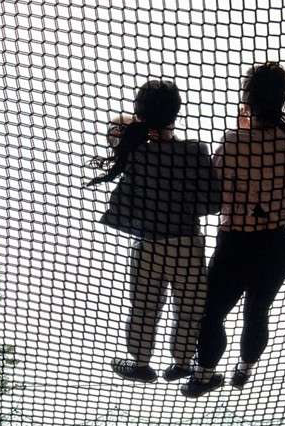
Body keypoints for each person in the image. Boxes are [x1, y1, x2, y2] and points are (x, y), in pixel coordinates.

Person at [183, 62, 285, 398]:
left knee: (210, 312)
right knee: (257, 311)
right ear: (283, 100)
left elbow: (215, 187)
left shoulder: (233, 143)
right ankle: (244, 369)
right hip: (276, 244)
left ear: (247, 99)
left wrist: (243, 135)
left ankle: (205, 374)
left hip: (236, 245)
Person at [90, 79, 221, 382]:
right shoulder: (195, 150)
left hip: (148, 243)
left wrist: (139, 121)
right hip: (188, 242)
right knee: (189, 306)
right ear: (177, 113)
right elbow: (213, 202)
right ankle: (183, 362)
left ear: (139, 112)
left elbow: (115, 122)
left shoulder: (133, 149)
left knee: (144, 306)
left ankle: (140, 363)